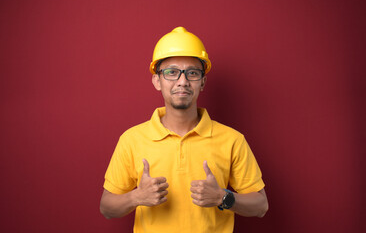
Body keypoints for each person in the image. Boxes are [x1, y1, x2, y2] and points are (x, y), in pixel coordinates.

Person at [100, 26, 268, 233]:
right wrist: (136, 197)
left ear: (203, 82)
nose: (182, 81)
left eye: (192, 73)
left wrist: (223, 197)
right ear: (157, 81)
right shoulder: (132, 139)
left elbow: (261, 206)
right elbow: (107, 207)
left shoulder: (232, 139)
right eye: (171, 72)